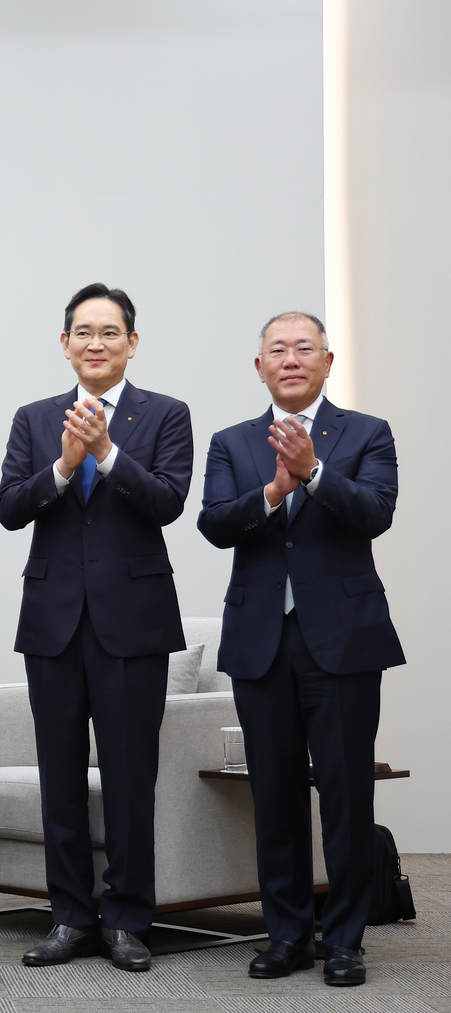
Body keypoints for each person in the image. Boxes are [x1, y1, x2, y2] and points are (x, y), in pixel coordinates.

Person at [197, 312, 403, 987]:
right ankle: (286, 934)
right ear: (258, 366)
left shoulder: (367, 433)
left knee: (345, 795)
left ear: (328, 360)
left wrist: (313, 474)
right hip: (261, 641)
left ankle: (344, 938)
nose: (290, 358)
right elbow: (215, 524)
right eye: (276, 350)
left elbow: (375, 512)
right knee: (276, 797)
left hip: (342, 642)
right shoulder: (232, 442)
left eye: (303, 348)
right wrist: (273, 490)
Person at [0, 283, 192, 972]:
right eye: (84, 331)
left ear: (132, 343)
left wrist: (107, 453)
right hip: (53, 623)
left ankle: (129, 918)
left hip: (132, 625)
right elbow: (10, 507)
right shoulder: (34, 417)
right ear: (65, 343)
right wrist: (64, 465)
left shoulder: (166, 414)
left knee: (133, 778)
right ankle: (71, 916)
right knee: (61, 778)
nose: (96, 343)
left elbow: (168, 501)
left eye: (110, 332)